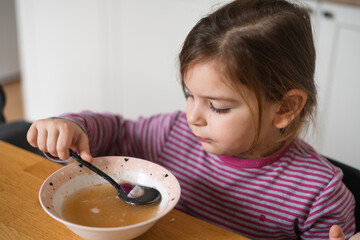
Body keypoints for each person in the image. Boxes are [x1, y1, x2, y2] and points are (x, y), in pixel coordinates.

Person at [27, 0, 356, 239]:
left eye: (218, 106)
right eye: (189, 95)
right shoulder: (174, 132)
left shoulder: (317, 193)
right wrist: (72, 128)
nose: (193, 117)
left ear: (284, 108)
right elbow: (118, 131)